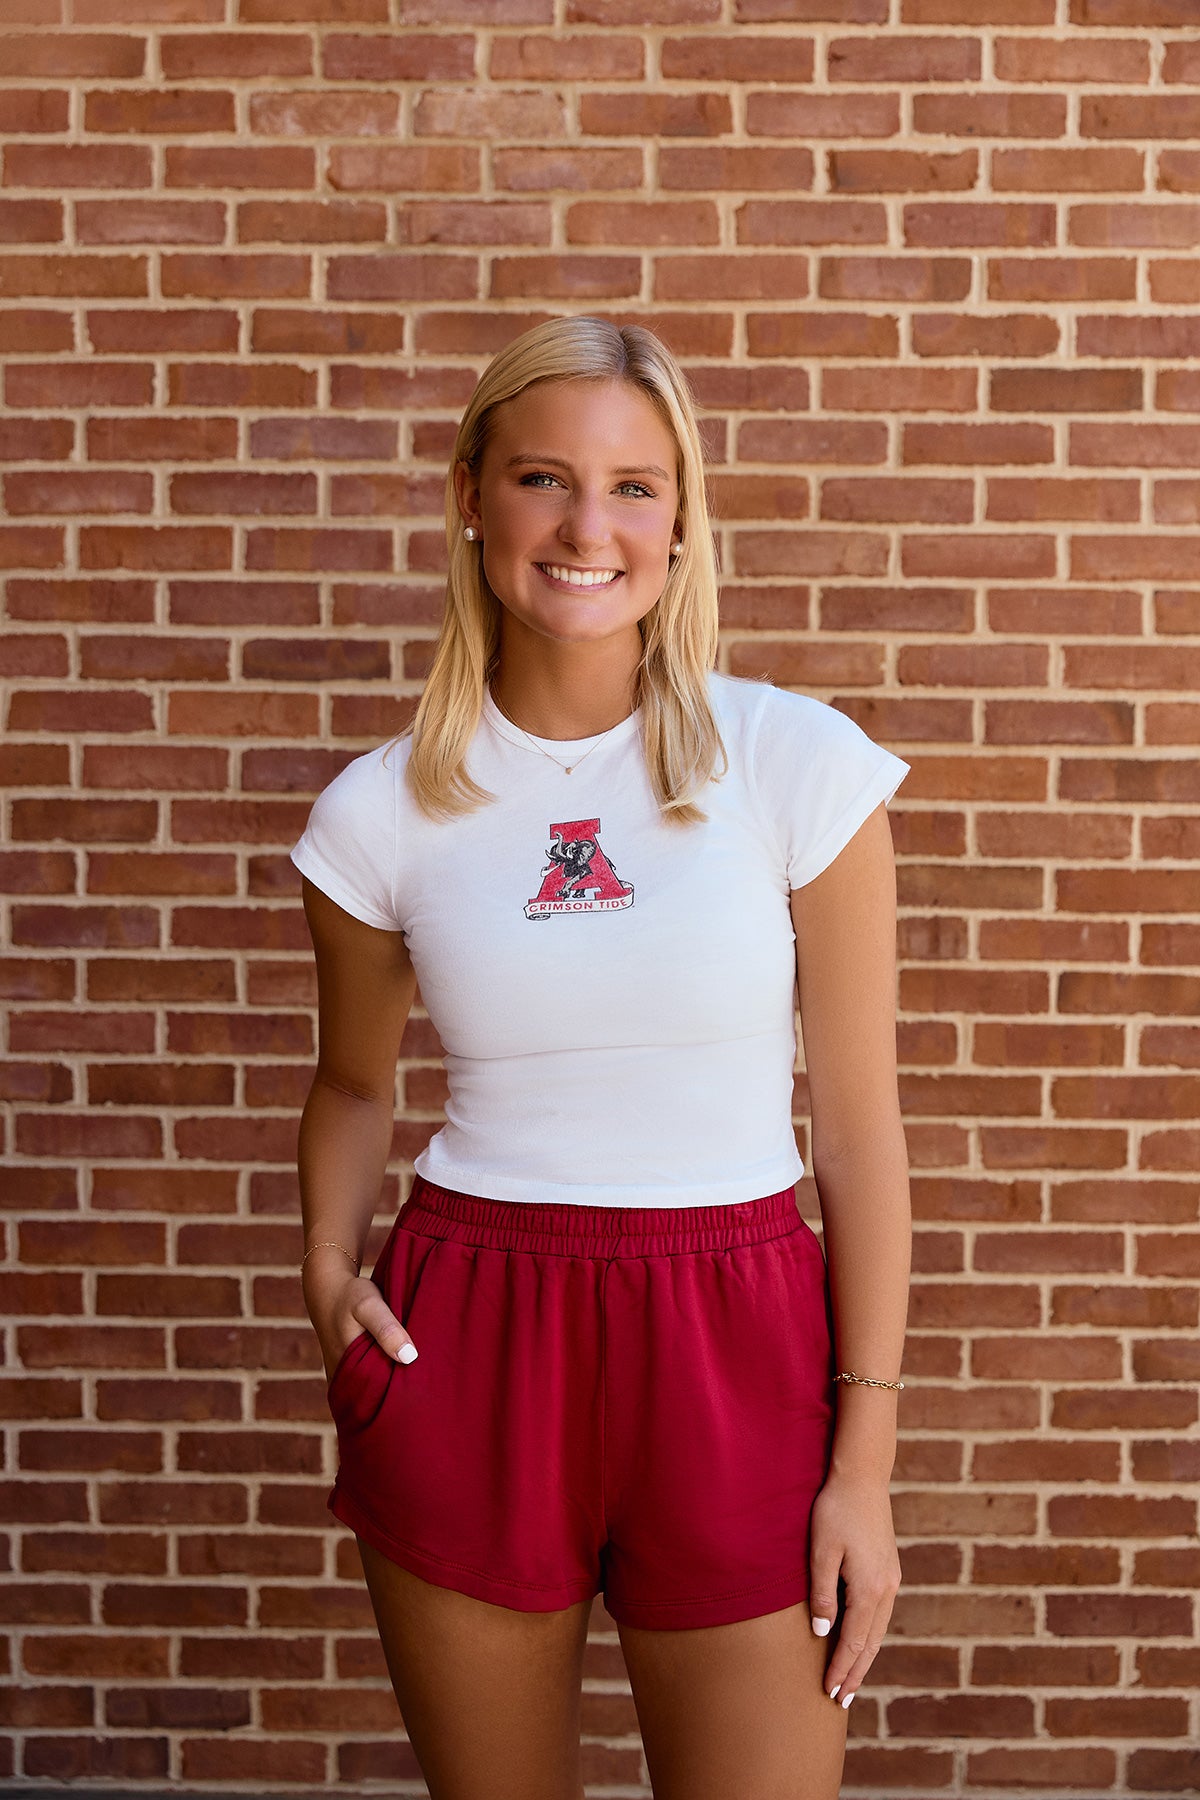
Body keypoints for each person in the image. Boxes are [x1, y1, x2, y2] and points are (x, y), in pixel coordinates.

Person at [290, 314, 912, 1800]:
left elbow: (863, 1131)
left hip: (739, 1332)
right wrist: (326, 1278)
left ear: (682, 519)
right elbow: (355, 1084)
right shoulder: (380, 812)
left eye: (635, 486)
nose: (589, 527)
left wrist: (865, 1466)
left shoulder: (793, 765)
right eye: (544, 480)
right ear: (471, 496)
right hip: (476, 1332)